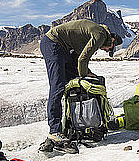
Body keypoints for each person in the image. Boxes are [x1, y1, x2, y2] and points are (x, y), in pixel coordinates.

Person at [39, 19, 123, 153]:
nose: (106, 50)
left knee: (75, 83)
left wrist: (85, 74)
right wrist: (84, 76)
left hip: (63, 49)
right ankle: (54, 131)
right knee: (58, 87)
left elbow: (78, 57)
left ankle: (74, 126)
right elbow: (83, 59)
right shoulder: (101, 35)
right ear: (112, 41)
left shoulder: (98, 33)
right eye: (109, 50)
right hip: (53, 43)